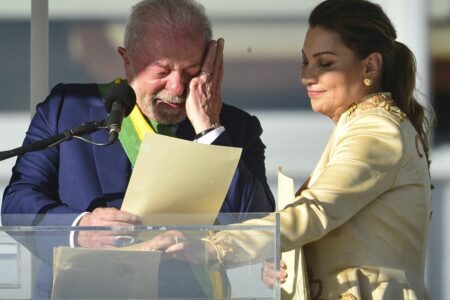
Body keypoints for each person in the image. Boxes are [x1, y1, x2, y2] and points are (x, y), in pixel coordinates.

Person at [142, 0, 434, 299]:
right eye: (305, 61)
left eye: (325, 63)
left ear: (370, 66)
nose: (307, 76)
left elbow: (316, 211)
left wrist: (213, 247)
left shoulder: (376, 129)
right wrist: (291, 260)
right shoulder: (364, 125)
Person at [1, 0, 275, 298]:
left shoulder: (235, 128)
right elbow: (18, 202)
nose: (177, 87)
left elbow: (257, 226)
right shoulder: (67, 109)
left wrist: (209, 129)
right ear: (127, 60)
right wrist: (80, 228)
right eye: (162, 71)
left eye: (191, 71)